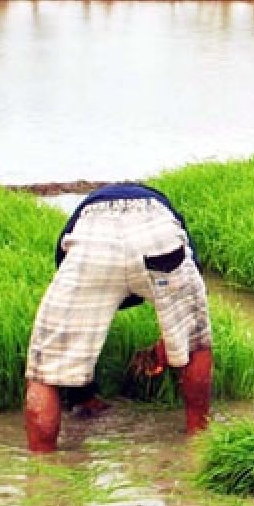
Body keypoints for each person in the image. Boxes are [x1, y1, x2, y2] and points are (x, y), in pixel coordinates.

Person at [24, 183, 213, 453]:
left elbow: (74, 328)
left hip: (94, 241)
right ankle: (199, 439)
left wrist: (82, 393)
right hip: (158, 235)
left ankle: (42, 466)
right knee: (195, 342)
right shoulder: (164, 209)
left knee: (45, 370)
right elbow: (191, 289)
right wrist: (173, 341)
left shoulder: (80, 217)